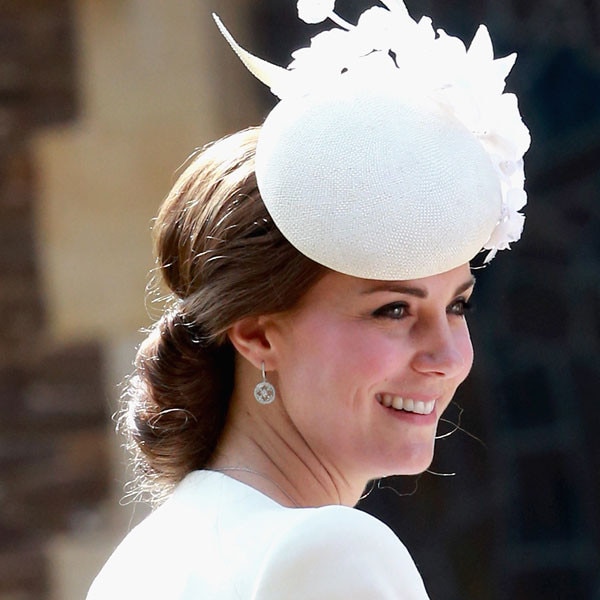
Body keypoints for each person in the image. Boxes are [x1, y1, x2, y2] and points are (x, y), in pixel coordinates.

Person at [87, 1, 530, 598]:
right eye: (393, 310)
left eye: (457, 305)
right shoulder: (329, 554)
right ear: (258, 333)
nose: (447, 357)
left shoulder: (143, 559)